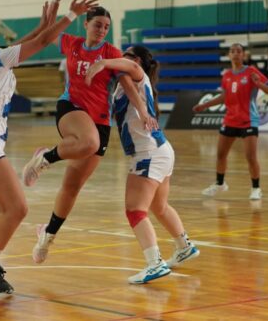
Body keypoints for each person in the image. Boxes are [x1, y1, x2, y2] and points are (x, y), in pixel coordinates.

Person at [0, 0, 97, 293]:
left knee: (11, 208)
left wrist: (50, 16)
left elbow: (28, 42)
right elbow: (40, 43)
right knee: (16, 208)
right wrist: (70, 15)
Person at [21, 6, 144, 264]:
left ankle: (48, 234)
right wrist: (59, 5)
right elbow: (47, 31)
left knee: (72, 186)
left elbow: (128, 84)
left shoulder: (111, 53)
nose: (102, 30)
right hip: (71, 108)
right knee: (88, 142)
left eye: (106, 27)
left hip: (100, 120)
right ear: (86, 24)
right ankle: (46, 158)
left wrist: (143, 110)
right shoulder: (71, 43)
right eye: (97, 24)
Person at [85, 45, 200, 284]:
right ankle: (184, 246)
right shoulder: (124, 81)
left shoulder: (135, 74)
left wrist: (105, 62)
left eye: (124, 53)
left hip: (148, 152)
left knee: (135, 210)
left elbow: (131, 70)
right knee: (160, 207)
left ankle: (154, 263)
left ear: (135, 59)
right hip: (161, 150)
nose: (119, 55)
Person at [192, 43, 268, 200]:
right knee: (221, 155)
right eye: (232, 51)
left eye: (239, 51)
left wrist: (259, 84)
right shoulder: (227, 75)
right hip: (230, 119)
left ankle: (256, 188)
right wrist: (204, 105)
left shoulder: (251, 71)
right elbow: (224, 96)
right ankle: (220, 184)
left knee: (250, 157)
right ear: (229, 55)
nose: (235, 54)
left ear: (243, 55)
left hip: (249, 120)